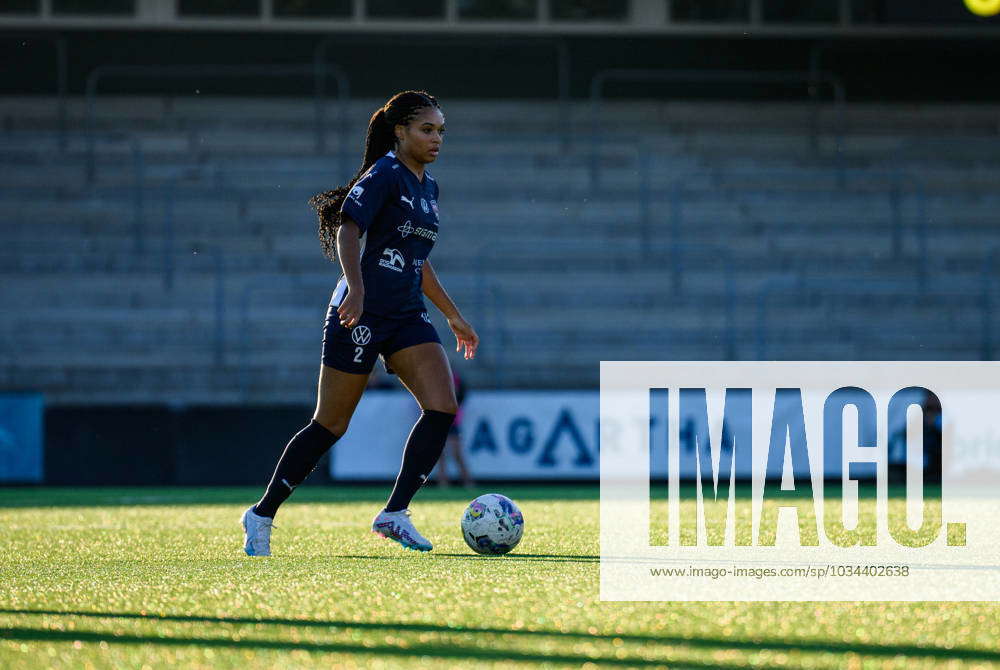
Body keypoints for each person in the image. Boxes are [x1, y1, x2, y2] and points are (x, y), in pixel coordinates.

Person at [241, 90, 479, 556]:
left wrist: (453, 315)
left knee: (442, 405)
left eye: (441, 131)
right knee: (330, 423)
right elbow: (347, 227)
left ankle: (394, 513)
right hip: (360, 310)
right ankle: (262, 513)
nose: (436, 139)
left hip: (407, 313)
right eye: (426, 129)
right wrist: (358, 287)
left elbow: (418, 260)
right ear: (400, 131)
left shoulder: (428, 187)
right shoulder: (386, 173)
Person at [433, 370, 475, 488]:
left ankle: (468, 482)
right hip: (438, 421)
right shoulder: (435, 377)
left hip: (452, 421)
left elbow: (457, 395)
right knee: (439, 455)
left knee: (456, 454)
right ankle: (443, 483)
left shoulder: (454, 377)